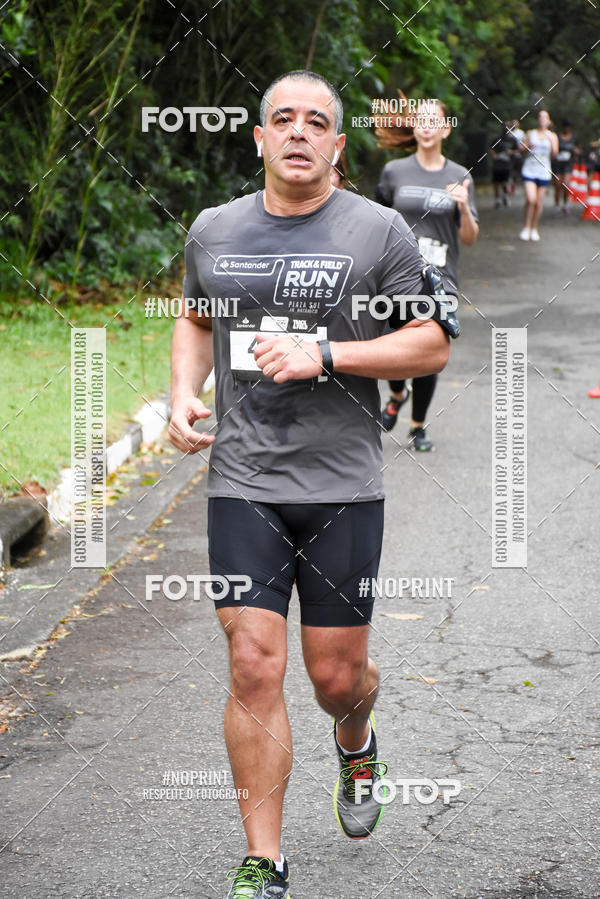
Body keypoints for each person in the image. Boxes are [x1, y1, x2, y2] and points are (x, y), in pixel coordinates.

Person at [168, 70, 453, 898]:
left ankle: (357, 737)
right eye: (282, 119)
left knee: (335, 678)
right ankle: (266, 855)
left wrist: (327, 354)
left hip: (342, 486)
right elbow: (193, 315)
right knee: (253, 661)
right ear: (259, 138)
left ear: (335, 144)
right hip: (243, 480)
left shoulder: (378, 231)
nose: (298, 131)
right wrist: (183, 393)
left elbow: (429, 342)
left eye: (316, 121)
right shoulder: (213, 230)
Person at [374, 99, 478, 450]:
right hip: (397, 275)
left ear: (446, 128)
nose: (427, 124)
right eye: (420, 119)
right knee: (391, 343)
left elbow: (469, 237)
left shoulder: (460, 175)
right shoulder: (393, 172)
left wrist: (462, 205)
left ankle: (418, 425)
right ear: (414, 127)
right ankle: (396, 393)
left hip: (440, 279)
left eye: (434, 120)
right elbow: (378, 223)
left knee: (428, 351)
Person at [519, 109, 559, 241]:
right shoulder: (531, 133)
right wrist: (528, 144)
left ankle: (534, 228)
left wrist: (552, 142)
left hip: (544, 171)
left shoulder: (552, 136)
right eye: (540, 117)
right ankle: (526, 226)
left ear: (549, 121)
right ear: (538, 120)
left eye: (545, 118)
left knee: (538, 202)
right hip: (529, 169)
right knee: (531, 199)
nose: (542, 120)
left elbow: (555, 154)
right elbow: (521, 150)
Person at [490, 122, 519, 207]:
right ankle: (497, 199)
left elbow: (518, 150)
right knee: (496, 182)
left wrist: (511, 152)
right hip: (497, 163)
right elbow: (491, 148)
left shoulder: (513, 140)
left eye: (508, 127)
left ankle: (505, 196)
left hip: (507, 163)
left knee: (505, 182)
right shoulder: (498, 139)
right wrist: (494, 155)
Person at [552, 121, 578, 213]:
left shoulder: (574, 138)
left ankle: (565, 204)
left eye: (568, 127)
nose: (566, 128)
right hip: (558, 164)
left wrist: (576, 151)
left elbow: (577, 149)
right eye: (565, 127)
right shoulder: (557, 137)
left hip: (568, 164)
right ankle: (556, 204)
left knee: (566, 184)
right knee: (558, 184)